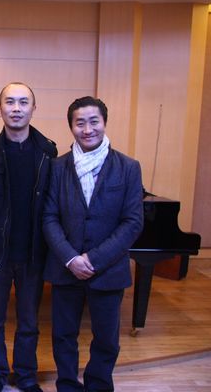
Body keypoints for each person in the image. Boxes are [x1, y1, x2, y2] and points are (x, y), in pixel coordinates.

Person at [42, 96, 144, 392]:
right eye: (80, 123)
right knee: (63, 335)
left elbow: (133, 222)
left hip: (108, 270)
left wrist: (93, 259)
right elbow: (49, 217)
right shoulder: (57, 167)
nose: (87, 129)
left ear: (104, 123)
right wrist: (71, 258)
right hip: (66, 269)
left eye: (93, 121)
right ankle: (67, 385)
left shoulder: (128, 167)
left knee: (107, 339)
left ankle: (98, 385)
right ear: (71, 127)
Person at [0, 82, 57, 392]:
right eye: (9, 102)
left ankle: (26, 376)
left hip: (33, 252)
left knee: (29, 322)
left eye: (24, 102)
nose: (16, 108)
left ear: (33, 108)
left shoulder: (47, 151)